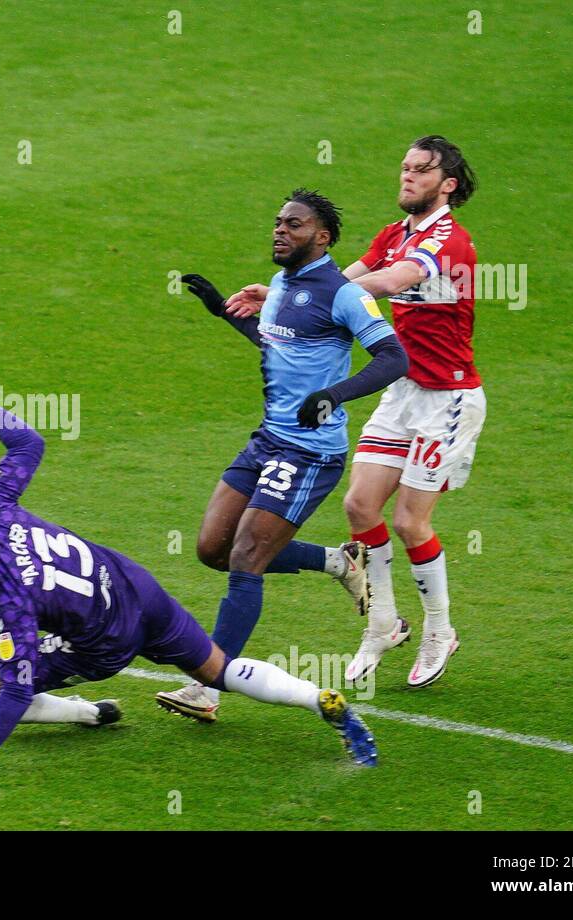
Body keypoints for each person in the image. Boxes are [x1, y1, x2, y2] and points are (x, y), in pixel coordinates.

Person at [0, 393, 378, 777]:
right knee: (217, 669)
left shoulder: (10, 601)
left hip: (102, 642)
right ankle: (315, 699)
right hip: (134, 587)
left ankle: (85, 713)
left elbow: (14, 688)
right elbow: (28, 444)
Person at [222, 138, 482, 688]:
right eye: (405, 167)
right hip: (403, 390)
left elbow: (391, 281)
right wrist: (283, 293)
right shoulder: (395, 233)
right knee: (361, 507)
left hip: (448, 397)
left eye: (420, 171)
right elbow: (341, 277)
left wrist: (304, 297)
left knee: (411, 521)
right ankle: (382, 624)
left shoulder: (448, 240)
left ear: (448, 184)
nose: (407, 177)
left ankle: (440, 629)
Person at [155, 188, 408, 722]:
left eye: (293, 225)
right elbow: (278, 345)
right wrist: (222, 310)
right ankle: (337, 561)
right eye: (277, 222)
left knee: (247, 556)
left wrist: (334, 395)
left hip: (311, 452)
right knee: (212, 548)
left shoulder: (344, 294)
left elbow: (393, 357)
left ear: (321, 237)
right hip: (268, 439)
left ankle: (208, 688)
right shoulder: (280, 284)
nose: (279, 231)